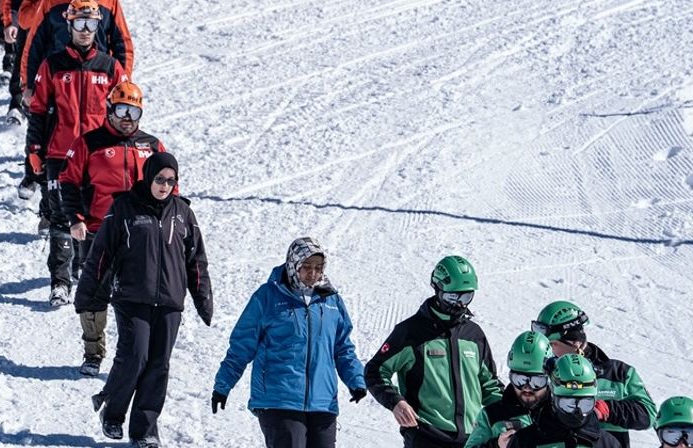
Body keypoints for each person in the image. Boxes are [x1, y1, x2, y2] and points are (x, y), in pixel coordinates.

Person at [75, 152, 212, 446]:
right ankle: (112, 411)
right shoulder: (124, 208)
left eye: (170, 181)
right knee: (135, 356)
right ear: (148, 177)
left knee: (159, 365)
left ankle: (145, 429)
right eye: (159, 179)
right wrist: (89, 294)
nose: (164, 186)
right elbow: (102, 253)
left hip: (170, 302)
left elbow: (196, 260)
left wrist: (203, 298)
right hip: (132, 297)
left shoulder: (183, 213)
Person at [211, 237, 367, 448]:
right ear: (293, 265)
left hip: (323, 401)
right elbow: (242, 346)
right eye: (306, 267)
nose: (313, 273)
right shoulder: (267, 297)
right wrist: (223, 385)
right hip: (279, 398)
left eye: (318, 268)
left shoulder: (331, 300)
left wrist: (356, 380)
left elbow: (342, 348)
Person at [59, 81, 166, 377]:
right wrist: (75, 218)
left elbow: (169, 186)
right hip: (99, 231)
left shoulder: (152, 146)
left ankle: (136, 355)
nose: (127, 117)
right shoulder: (89, 143)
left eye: (134, 111)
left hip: (141, 234)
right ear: (109, 109)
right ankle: (93, 352)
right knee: (94, 293)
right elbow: (68, 181)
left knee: (140, 296)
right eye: (121, 109)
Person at [26, 0, 127, 307]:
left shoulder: (110, 67)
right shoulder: (53, 64)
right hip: (59, 152)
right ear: (69, 25)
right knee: (60, 217)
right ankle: (59, 281)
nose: (86, 31)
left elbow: (123, 113)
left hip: (97, 156)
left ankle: (87, 272)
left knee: (94, 218)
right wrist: (34, 151)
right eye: (80, 24)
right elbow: (39, 110)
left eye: (92, 25)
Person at [365, 255, 503, 448]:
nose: (460, 304)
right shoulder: (412, 332)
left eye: (467, 296)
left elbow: (489, 385)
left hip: (472, 439)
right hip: (427, 436)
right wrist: (395, 402)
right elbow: (376, 371)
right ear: (437, 289)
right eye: (453, 296)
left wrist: (508, 413)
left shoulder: (474, 335)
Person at [532, 301, 656, 447]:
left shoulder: (618, 373)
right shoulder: (544, 374)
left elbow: (648, 414)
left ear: (574, 342)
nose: (548, 351)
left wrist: (608, 410)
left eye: (552, 344)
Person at [2, 0, 89, 125]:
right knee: (27, 57)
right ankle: (18, 104)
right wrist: (9, 20)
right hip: (37, 34)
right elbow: (18, 4)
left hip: (70, 46)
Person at [19, 0, 133, 98]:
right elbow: (34, 43)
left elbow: (122, 44)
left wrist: (122, 84)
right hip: (59, 78)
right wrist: (29, 84)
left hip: (97, 78)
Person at [505, 354, 622, 448]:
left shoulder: (608, 443)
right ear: (553, 399)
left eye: (585, 404)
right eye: (568, 404)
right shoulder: (525, 441)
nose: (577, 412)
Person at [464, 331, 554, 448]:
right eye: (519, 380)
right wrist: (496, 445)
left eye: (536, 382)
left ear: (548, 379)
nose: (527, 388)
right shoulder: (493, 415)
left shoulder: (561, 412)